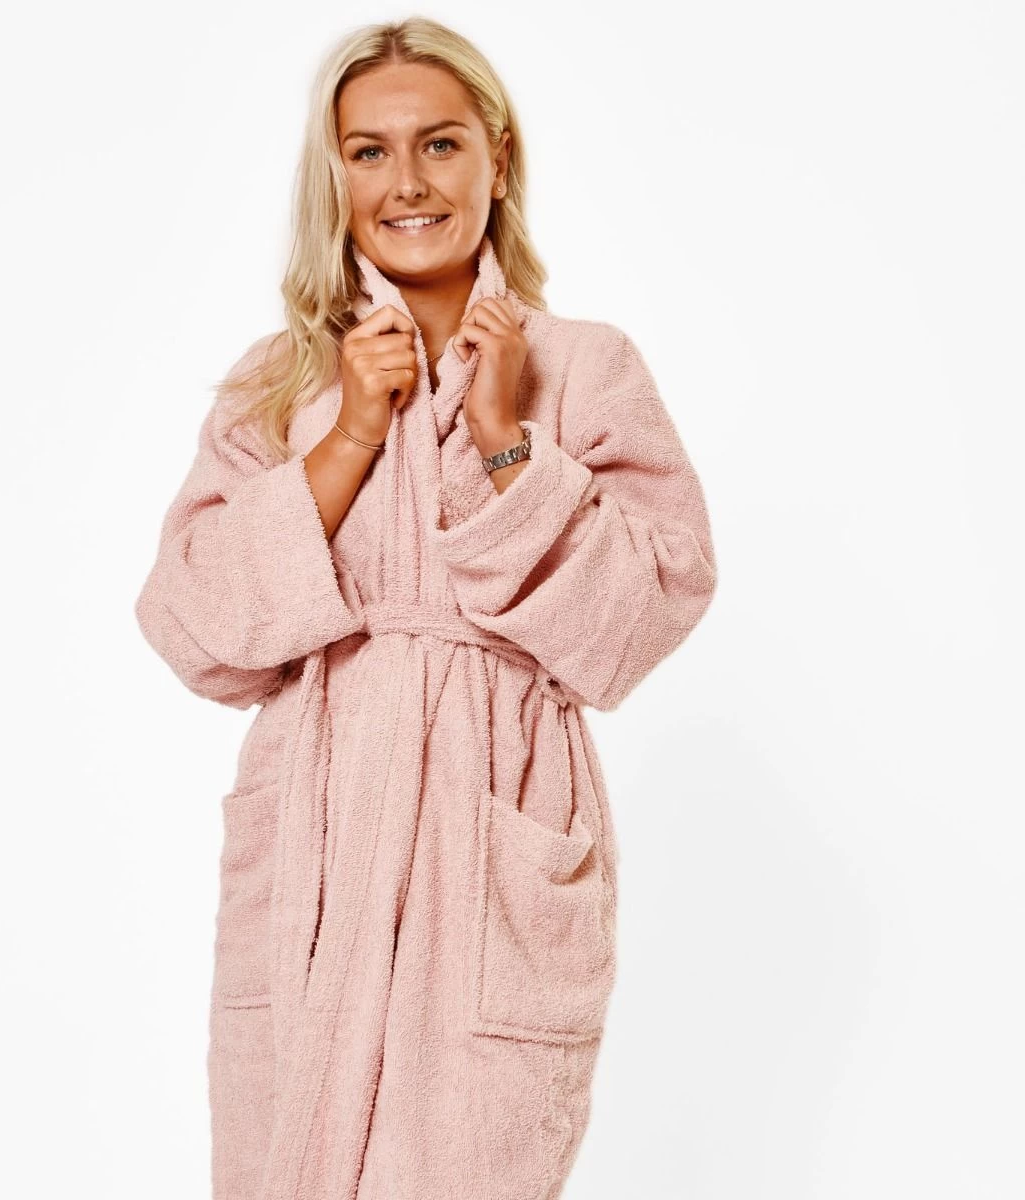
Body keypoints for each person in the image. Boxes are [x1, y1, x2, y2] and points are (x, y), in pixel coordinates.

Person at [134, 16, 717, 1200]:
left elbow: (645, 614)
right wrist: (350, 433)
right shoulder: (278, 383)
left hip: (490, 852)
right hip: (315, 850)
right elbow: (189, 625)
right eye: (369, 151)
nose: (406, 182)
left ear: (496, 157)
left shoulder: (586, 368)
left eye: (440, 143)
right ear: (335, 175)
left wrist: (505, 442)